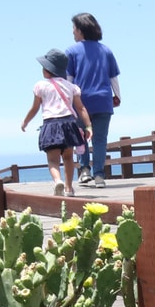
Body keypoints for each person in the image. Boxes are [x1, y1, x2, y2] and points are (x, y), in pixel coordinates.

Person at [20, 48, 93, 198]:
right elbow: (81, 108)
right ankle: (68, 188)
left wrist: (25, 122)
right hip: (69, 124)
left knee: (53, 160)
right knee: (68, 158)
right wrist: (88, 126)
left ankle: (57, 180)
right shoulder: (71, 87)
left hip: (51, 124)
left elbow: (35, 108)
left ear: (47, 70)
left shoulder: (40, 86)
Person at [65, 12, 121, 189]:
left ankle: (84, 170)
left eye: (74, 29)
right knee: (100, 140)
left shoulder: (71, 52)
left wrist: (67, 102)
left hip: (81, 102)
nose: (73, 32)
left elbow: (69, 80)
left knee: (80, 137)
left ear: (80, 30)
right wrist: (118, 96)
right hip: (103, 100)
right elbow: (113, 78)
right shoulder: (106, 51)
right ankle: (99, 176)